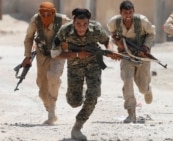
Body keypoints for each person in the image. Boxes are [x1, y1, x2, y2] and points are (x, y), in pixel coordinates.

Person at [51, 8, 118, 140]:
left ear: (88, 23)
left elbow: (106, 40)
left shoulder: (96, 28)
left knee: (93, 95)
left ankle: (77, 127)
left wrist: (110, 50)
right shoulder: (65, 30)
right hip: (74, 66)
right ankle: (79, 92)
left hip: (94, 64)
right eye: (78, 24)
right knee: (74, 102)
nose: (82, 28)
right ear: (73, 21)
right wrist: (76, 54)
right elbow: (55, 54)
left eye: (85, 24)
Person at [107, 0, 156, 123]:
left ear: (134, 11)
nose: (128, 15)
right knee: (127, 80)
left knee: (142, 87)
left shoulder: (142, 21)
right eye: (125, 13)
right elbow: (112, 34)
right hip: (125, 56)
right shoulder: (114, 22)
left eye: (130, 12)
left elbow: (151, 33)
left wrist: (145, 47)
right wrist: (117, 42)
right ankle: (131, 112)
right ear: (120, 13)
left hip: (142, 56)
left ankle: (147, 90)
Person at [22, 1, 71, 124]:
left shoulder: (62, 20)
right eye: (42, 14)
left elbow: (76, 31)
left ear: (53, 12)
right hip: (42, 54)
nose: (45, 16)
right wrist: (27, 56)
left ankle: (52, 113)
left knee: (53, 76)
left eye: (48, 14)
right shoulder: (36, 20)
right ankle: (49, 107)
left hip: (58, 54)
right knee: (42, 88)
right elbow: (28, 37)